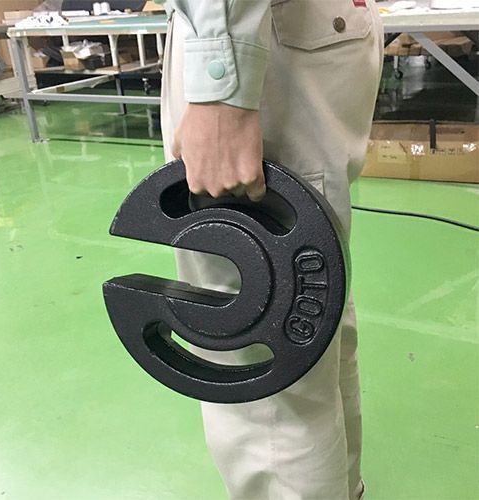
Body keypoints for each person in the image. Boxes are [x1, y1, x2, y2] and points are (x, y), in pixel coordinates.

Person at [159, 1, 384, 498]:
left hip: (252, 41)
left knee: (259, 355)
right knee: (312, 312)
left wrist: (221, 87)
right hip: (311, 31)